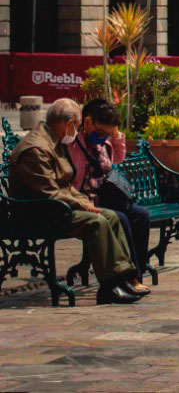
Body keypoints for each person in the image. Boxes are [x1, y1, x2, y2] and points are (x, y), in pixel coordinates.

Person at [6, 99, 142, 304]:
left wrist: (84, 201)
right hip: (38, 212)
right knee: (97, 222)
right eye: (76, 126)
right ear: (68, 124)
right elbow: (49, 192)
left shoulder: (54, 142)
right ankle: (109, 286)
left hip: (55, 207)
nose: (77, 131)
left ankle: (122, 279)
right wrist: (82, 204)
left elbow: (66, 184)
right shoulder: (36, 149)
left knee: (111, 216)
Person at [68, 98, 152, 295]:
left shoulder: (102, 143)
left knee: (141, 215)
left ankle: (137, 276)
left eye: (108, 133)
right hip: (86, 200)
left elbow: (117, 160)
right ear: (87, 122)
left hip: (107, 196)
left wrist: (115, 137)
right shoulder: (73, 144)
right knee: (120, 218)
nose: (103, 137)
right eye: (101, 132)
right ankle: (128, 277)